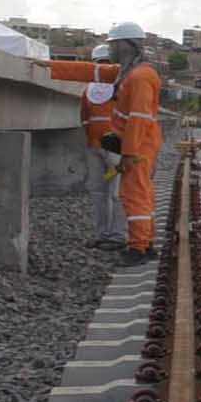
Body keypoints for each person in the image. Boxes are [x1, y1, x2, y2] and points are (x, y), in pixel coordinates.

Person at [45, 43, 126, 248]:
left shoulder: (114, 89)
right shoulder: (99, 90)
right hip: (104, 150)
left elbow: (85, 119)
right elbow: (86, 118)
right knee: (105, 193)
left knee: (113, 194)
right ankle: (106, 235)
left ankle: (116, 236)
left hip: (109, 149)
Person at [102, 22, 165, 267]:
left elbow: (138, 117)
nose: (109, 49)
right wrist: (51, 67)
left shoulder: (139, 77)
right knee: (143, 193)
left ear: (124, 46)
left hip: (138, 145)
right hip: (140, 142)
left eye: (112, 45)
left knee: (134, 195)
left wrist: (128, 152)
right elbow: (91, 71)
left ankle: (137, 248)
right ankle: (145, 243)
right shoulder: (132, 72)